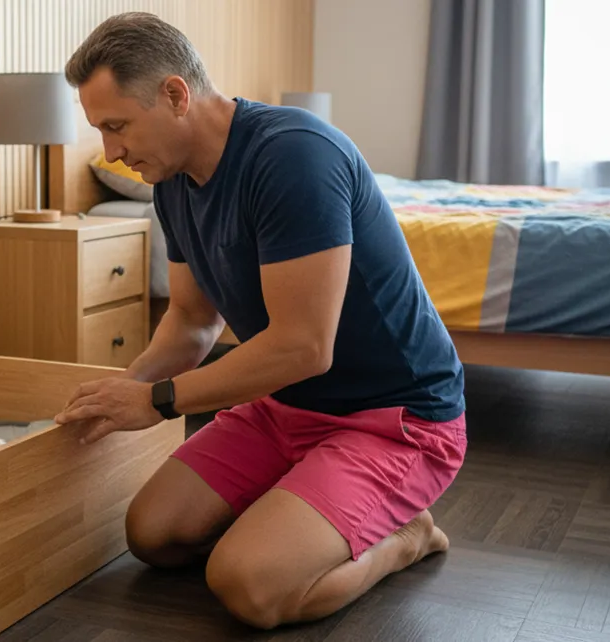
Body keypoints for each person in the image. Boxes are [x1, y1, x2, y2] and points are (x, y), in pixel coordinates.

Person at [53, 12, 468, 630]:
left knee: (249, 586)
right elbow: (193, 320)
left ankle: (405, 539)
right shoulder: (170, 177)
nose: (112, 152)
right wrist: (124, 394)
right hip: (284, 408)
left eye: (117, 127)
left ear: (174, 93)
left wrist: (159, 402)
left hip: (392, 419)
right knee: (152, 535)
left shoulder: (294, 156)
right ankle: (302, 517)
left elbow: (304, 348)